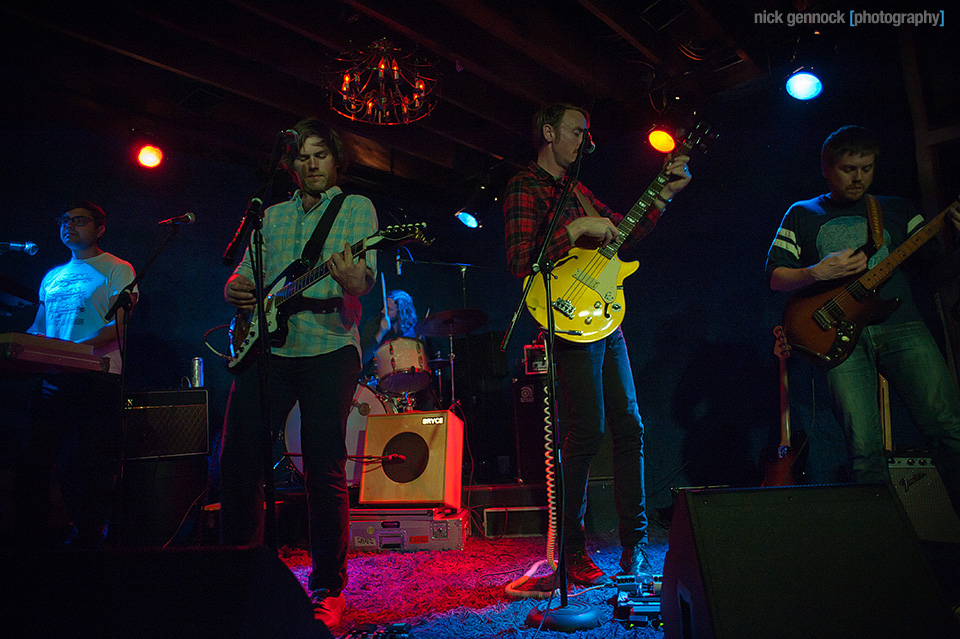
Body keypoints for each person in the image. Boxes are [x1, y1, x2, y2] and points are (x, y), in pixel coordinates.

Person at [503, 103, 691, 586]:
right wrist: (573, 231)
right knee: (585, 435)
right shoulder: (524, 187)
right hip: (566, 320)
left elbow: (624, 234)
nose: (585, 142)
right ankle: (570, 554)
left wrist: (663, 194)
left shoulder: (579, 190)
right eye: (575, 132)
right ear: (548, 132)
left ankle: (635, 549)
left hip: (606, 318)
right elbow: (521, 260)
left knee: (630, 426)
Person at [220, 118, 377, 629]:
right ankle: (237, 570)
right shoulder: (270, 214)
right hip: (268, 348)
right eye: (304, 157)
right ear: (292, 165)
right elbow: (243, 275)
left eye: (321, 156)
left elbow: (362, 279)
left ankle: (328, 587)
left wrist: (350, 273)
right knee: (239, 455)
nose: (312, 164)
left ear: (336, 162)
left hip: (330, 346)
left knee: (322, 462)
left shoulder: (354, 208)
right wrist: (235, 291)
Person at [765, 125, 960, 515]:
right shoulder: (802, 214)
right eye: (848, 169)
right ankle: (884, 550)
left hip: (901, 325)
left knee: (948, 430)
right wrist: (816, 272)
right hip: (839, 341)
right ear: (827, 169)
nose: (858, 178)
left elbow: (937, 273)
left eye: (866, 169)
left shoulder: (897, 208)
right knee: (863, 452)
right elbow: (774, 276)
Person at [15, 200, 136, 549]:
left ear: (100, 229)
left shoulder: (117, 268)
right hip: (54, 377)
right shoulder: (52, 276)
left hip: (95, 377)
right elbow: (39, 326)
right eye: (64, 221)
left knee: (85, 462)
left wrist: (74, 350)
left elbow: (119, 327)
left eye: (80, 221)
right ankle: (32, 542)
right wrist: (24, 347)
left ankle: (88, 537)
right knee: (34, 460)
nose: (69, 226)